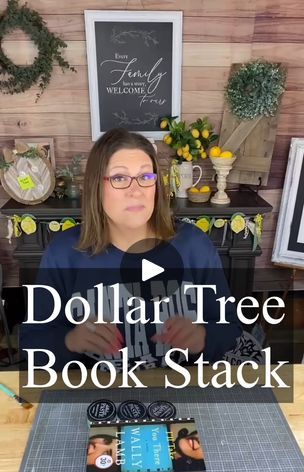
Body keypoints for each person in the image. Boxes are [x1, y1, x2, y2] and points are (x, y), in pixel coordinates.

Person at [20, 127, 243, 372]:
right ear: (96, 187)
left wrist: (204, 336)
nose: (136, 190)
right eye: (119, 178)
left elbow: (231, 330)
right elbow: (32, 345)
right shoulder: (64, 254)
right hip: (97, 396)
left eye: (146, 177)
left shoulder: (194, 247)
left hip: (182, 391)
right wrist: (70, 341)